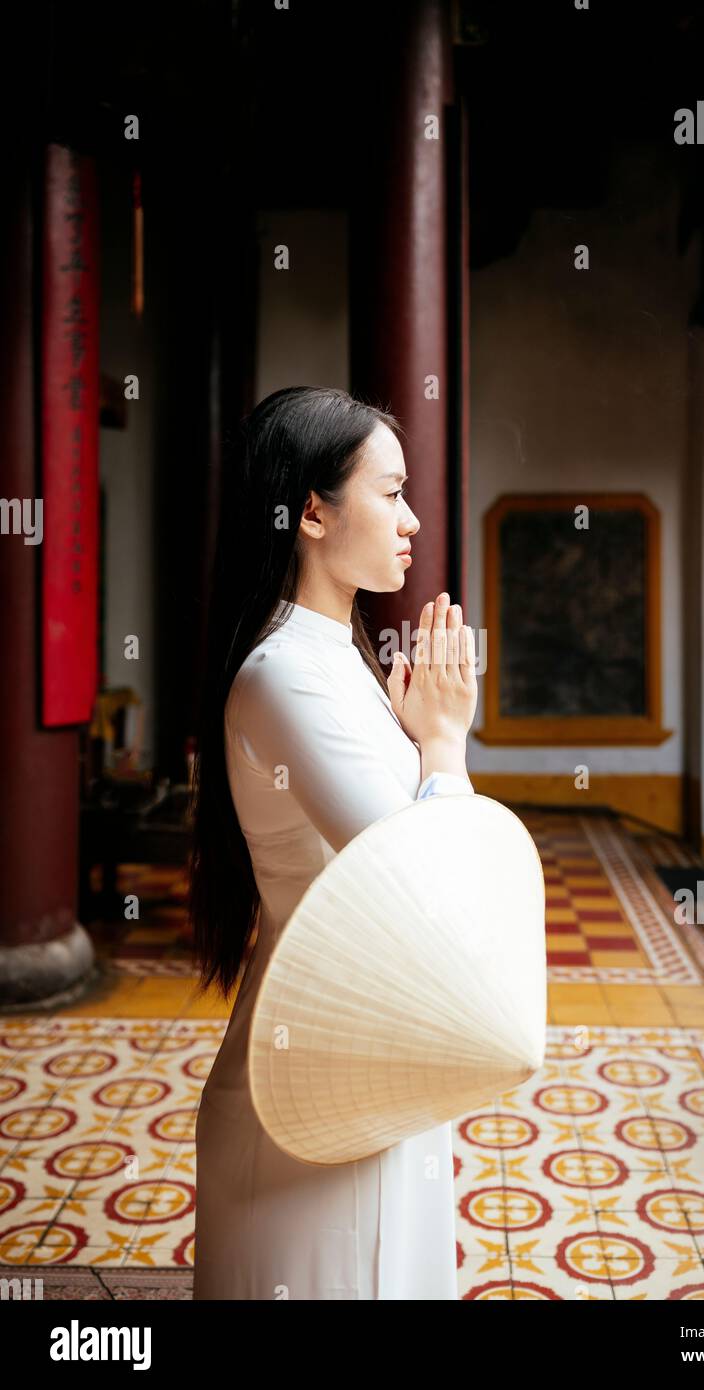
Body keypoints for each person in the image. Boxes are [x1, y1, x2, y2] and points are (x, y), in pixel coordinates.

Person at [187, 385, 477, 1300]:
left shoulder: (334, 657)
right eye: (390, 493)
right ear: (312, 510)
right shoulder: (283, 675)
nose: (413, 518)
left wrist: (422, 739)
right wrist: (441, 743)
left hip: (369, 1049)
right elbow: (418, 883)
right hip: (308, 1076)